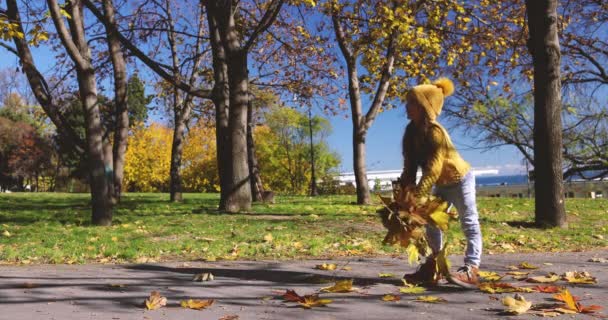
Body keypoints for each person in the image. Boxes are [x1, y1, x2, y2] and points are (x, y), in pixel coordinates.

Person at [400, 78, 482, 289]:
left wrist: (419, 196)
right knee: (431, 222)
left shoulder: (435, 132)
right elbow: (409, 168)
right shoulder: (410, 133)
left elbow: (434, 169)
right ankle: (433, 267)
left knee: (469, 221)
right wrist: (403, 197)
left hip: (460, 180)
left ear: (425, 107)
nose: (406, 106)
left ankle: (472, 269)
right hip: (441, 184)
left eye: (411, 102)